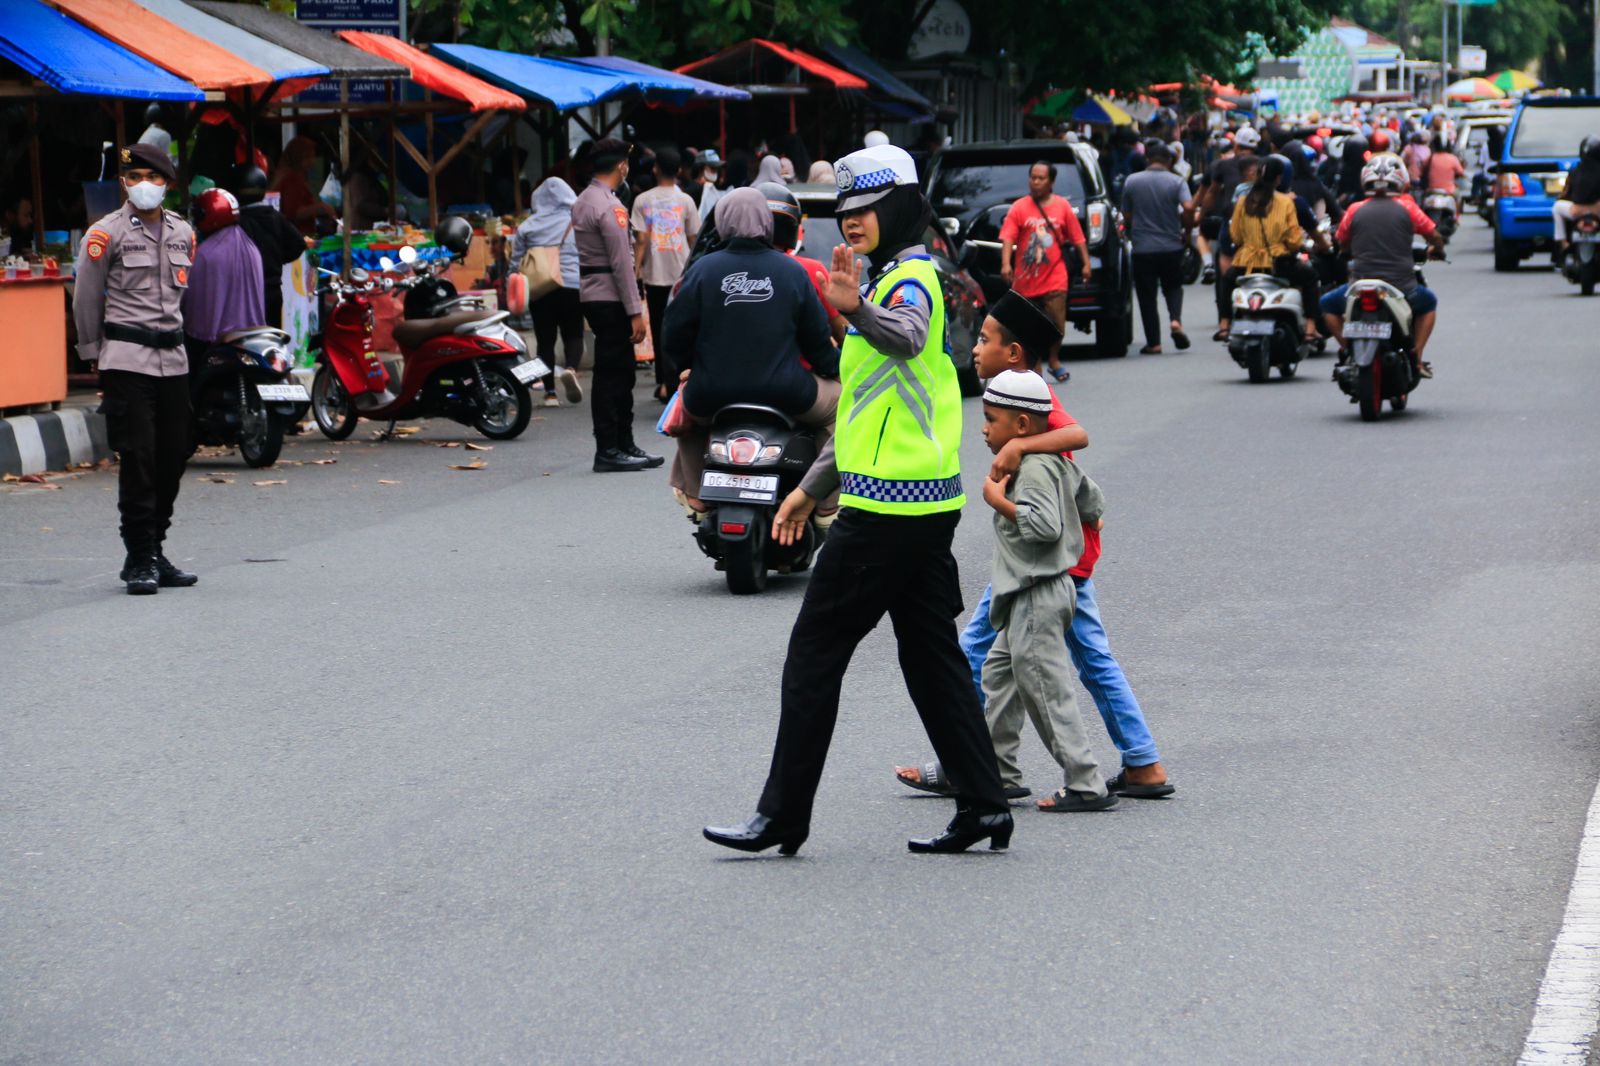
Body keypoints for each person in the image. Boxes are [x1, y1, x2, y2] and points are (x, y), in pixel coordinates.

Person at [702, 144, 1012, 857]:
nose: (851, 223)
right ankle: (985, 804)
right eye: (843, 213)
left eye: (865, 209)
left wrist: (856, 308)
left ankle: (782, 815)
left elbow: (903, 338)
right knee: (929, 659)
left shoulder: (914, 282)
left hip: (889, 518)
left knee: (813, 655)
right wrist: (809, 492)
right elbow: (868, 412)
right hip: (917, 507)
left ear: (898, 205)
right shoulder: (891, 280)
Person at [894, 291, 1173, 805]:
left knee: (980, 652)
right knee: (1035, 659)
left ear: (1014, 353)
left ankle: (972, 765)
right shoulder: (1019, 398)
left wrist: (1018, 448)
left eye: (984, 339)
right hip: (1055, 560)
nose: (975, 349)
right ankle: (1138, 761)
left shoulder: (1030, 402)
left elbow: (1077, 436)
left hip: (1049, 562)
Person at [969, 369, 1115, 812]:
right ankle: (999, 771)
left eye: (992, 419)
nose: (984, 428)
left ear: (1022, 427)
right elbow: (1093, 503)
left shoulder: (1031, 470)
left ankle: (1085, 782)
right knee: (1000, 676)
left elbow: (1043, 528)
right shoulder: (1057, 462)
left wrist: (999, 502)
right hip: (1034, 595)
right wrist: (1085, 522)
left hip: (1037, 595)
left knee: (1046, 692)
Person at [658, 187, 839, 516]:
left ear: (722, 222)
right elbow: (817, 339)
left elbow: (673, 333)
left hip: (712, 395)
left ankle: (696, 493)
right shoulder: (792, 272)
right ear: (767, 223)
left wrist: (686, 368)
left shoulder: (701, 270)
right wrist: (834, 369)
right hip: (786, 392)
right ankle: (826, 505)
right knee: (839, 407)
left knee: (687, 405)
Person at [73, 143, 200, 595]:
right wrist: (92, 353)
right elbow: (86, 296)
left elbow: (185, 297)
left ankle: (156, 548)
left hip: (174, 360)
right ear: (124, 182)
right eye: (135, 176)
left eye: (154, 176)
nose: (144, 184)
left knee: (175, 454)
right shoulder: (105, 234)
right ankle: (139, 555)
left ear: (168, 182)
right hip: (127, 359)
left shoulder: (184, 232)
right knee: (139, 458)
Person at [572, 139, 659, 473]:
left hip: (593, 294)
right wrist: (635, 310)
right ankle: (611, 447)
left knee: (614, 372)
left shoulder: (583, 201)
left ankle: (622, 443)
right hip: (611, 297)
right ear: (621, 166)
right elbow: (622, 263)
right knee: (616, 376)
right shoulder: (611, 207)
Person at [1319, 153, 1446, 379]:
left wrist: (1347, 251)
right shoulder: (1408, 208)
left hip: (1358, 285)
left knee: (1327, 304)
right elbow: (1434, 235)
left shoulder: (1355, 210)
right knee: (1429, 302)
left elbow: (1341, 240)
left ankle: (1349, 350)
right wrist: (1438, 249)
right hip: (1402, 287)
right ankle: (1416, 356)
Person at [999, 161, 1089, 382]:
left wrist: (1086, 263)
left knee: (1057, 325)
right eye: (1033, 177)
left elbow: (1078, 238)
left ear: (1051, 182)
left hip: (1055, 277)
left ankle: (1054, 359)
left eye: (1041, 178)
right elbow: (1008, 237)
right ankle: (1036, 365)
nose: (1036, 182)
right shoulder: (1019, 207)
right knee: (1030, 328)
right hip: (1026, 282)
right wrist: (1006, 264)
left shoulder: (1062, 207)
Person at [1218, 156, 1318, 344]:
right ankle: (1311, 328)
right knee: (1310, 278)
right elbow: (1294, 240)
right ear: (1279, 179)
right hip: (1278, 264)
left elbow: (1236, 236)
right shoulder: (1286, 202)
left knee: (1227, 281)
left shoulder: (1243, 201)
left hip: (1245, 264)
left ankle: (1224, 325)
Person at [631, 147, 701, 403]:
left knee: (661, 329)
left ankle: (664, 382)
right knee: (683, 329)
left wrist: (636, 270)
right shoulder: (686, 201)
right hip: (683, 275)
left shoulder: (642, 201)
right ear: (680, 170)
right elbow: (694, 239)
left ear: (655, 168)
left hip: (654, 275)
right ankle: (681, 379)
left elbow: (641, 239)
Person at [181, 188, 264, 397]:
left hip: (214, 338)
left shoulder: (206, 254)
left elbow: (192, 307)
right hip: (252, 333)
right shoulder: (251, 247)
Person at [513, 177, 586, 409]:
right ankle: (571, 369)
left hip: (540, 287)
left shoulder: (527, 226)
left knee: (545, 340)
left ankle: (550, 393)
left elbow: (515, 262)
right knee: (573, 333)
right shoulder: (576, 222)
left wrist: (512, 285)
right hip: (572, 284)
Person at [1121, 141, 1193, 354]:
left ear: (1147, 159)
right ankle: (1175, 320)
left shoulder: (1132, 181)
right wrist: (1187, 231)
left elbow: (1126, 214)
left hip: (1143, 248)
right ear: (1169, 161)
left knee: (1146, 295)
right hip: (1171, 246)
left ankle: (1154, 342)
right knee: (1173, 287)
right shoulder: (1177, 181)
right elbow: (1188, 207)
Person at [229, 165, 306, 331]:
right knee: (271, 339)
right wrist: (277, 258)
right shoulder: (275, 217)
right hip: (272, 291)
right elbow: (299, 244)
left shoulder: (236, 223)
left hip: (246, 294)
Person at [270, 135, 336, 237]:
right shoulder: (291, 179)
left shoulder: (290, 175)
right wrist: (320, 207)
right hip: (296, 237)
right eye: (308, 157)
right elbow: (293, 213)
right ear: (299, 157)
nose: (312, 161)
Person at [1553, 137, 1600, 264]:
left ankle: (1563, 242)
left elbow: (1566, 193)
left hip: (1576, 211)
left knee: (1557, 207)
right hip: (1597, 212)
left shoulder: (1575, 171)